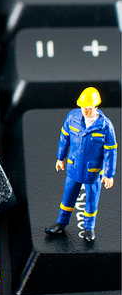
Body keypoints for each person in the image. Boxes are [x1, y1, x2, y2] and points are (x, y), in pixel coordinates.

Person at [45, 87, 117, 242]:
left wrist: (109, 174)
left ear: (96, 106)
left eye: (88, 107)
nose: (85, 110)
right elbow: (64, 138)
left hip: (92, 172)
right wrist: (60, 157)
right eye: (83, 107)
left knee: (91, 200)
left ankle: (89, 228)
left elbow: (110, 152)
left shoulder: (105, 126)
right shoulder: (72, 117)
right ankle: (61, 223)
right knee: (68, 197)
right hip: (73, 168)